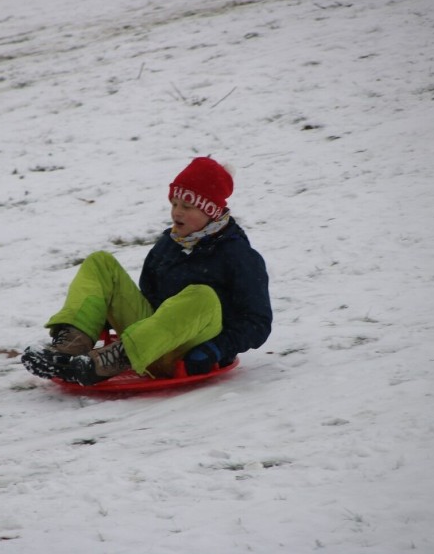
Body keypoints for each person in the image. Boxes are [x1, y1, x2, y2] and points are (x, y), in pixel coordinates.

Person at [21, 156, 272, 385]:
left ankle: (110, 360)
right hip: (151, 341)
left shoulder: (239, 256)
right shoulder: (168, 245)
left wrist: (216, 349)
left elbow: (258, 322)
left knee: (202, 295)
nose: (177, 212)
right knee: (100, 262)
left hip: (192, 350)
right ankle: (69, 349)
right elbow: (148, 298)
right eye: (174, 203)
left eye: (187, 206)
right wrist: (103, 313)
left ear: (211, 212)